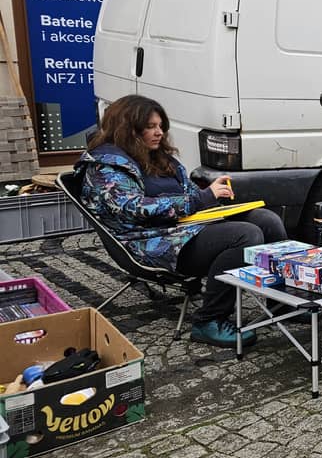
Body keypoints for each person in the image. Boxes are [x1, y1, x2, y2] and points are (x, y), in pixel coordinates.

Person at [75, 95, 287, 348]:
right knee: (245, 235)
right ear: (127, 128)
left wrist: (211, 194)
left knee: (267, 220)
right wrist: (201, 199)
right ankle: (209, 320)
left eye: (161, 126)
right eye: (150, 127)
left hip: (184, 227)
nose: (159, 132)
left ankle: (281, 305)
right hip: (150, 242)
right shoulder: (105, 167)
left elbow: (190, 195)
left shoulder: (159, 158)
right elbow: (134, 208)